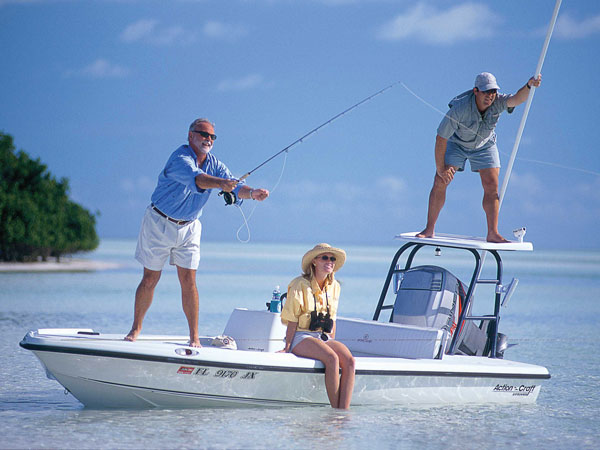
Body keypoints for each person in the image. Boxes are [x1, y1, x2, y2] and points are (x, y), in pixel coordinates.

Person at [125, 118, 269, 347]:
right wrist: (223, 183)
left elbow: (236, 186)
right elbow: (199, 180)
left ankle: (194, 337)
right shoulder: (180, 159)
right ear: (190, 135)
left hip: (190, 227)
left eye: (212, 136)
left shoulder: (216, 164)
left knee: (189, 280)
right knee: (151, 278)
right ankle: (136, 328)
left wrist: (253, 194)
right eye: (203, 134)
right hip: (159, 222)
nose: (208, 139)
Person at [417, 72, 542, 243]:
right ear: (476, 91)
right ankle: (429, 229)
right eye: (485, 92)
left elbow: (517, 99)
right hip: (457, 144)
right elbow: (441, 138)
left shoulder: (497, 101)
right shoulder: (459, 108)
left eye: (492, 92)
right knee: (440, 180)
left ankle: (493, 233)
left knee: (492, 185)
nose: (490, 96)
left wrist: (529, 86)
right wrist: (441, 169)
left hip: (485, 145)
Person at [280, 243, 356, 409]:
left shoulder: (335, 286)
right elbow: (292, 319)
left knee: (349, 361)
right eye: (324, 258)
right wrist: (286, 347)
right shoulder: (299, 284)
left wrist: (331, 342)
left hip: (323, 337)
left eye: (332, 259)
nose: (329, 261)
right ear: (314, 261)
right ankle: (336, 412)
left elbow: (332, 319)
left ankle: (344, 412)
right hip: (302, 336)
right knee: (332, 358)